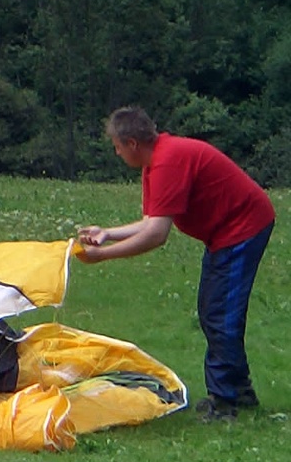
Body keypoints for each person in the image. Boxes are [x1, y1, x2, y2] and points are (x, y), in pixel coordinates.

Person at [76, 106, 275, 422]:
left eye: (116, 146)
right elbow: (150, 220)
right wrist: (107, 234)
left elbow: (156, 235)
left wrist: (103, 256)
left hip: (243, 228)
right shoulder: (154, 163)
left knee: (220, 313)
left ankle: (227, 403)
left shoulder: (168, 161)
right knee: (213, 310)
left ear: (132, 143)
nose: (116, 153)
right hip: (224, 234)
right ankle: (238, 392)